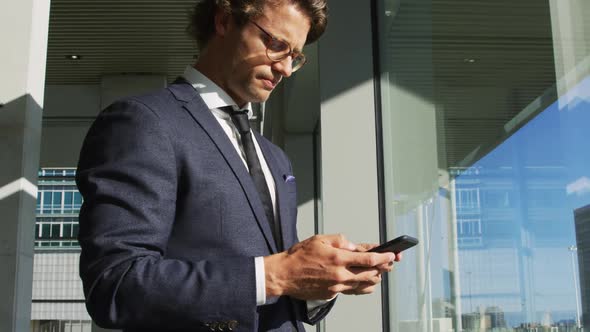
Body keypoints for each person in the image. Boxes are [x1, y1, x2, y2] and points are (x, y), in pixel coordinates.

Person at [76, 0, 401, 331]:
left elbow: (279, 283)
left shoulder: (274, 156)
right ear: (224, 20)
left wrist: (329, 277)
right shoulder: (143, 122)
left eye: (295, 57)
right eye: (277, 45)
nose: (286, 69)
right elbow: (115, 285)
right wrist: (275, 275)